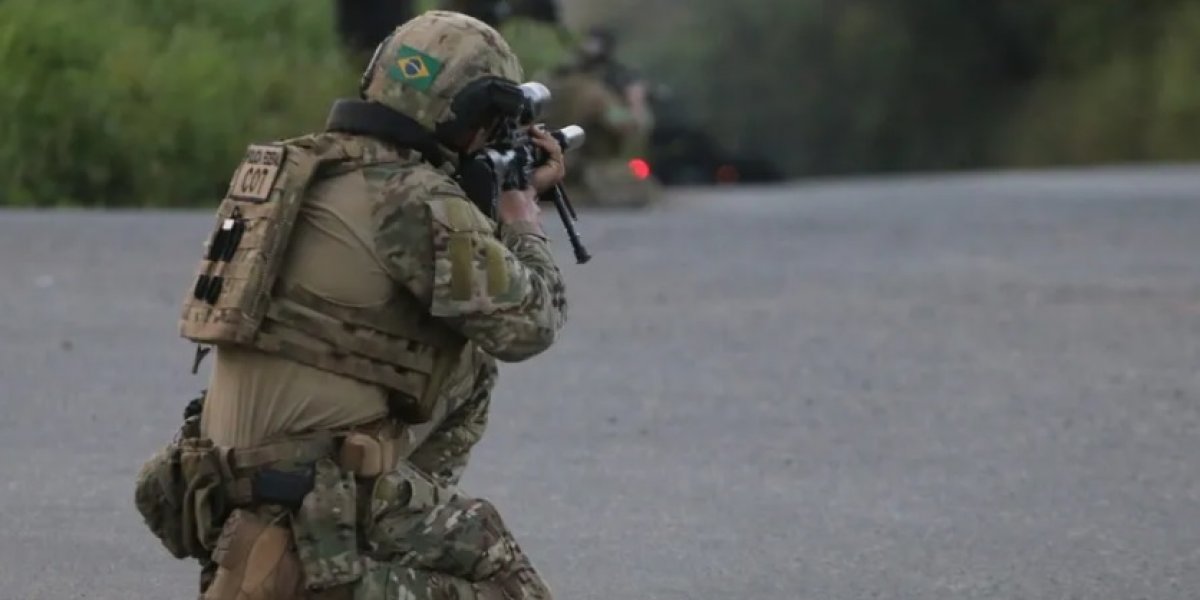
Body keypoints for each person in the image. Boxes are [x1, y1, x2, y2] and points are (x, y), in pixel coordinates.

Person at [135, 10, 568, 600]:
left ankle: (289, 558)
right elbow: (530, 324)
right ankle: (313, 575)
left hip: (218, 481)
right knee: (502, 570)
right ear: (467, 115)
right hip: (312, 490)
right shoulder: (415, 198)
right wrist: (521, 219)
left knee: (465, 364)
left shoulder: (294, 167)